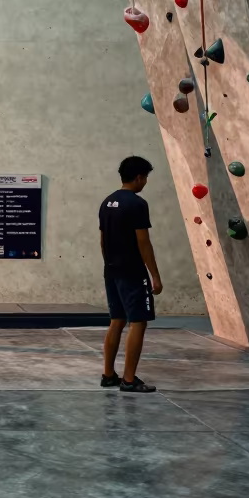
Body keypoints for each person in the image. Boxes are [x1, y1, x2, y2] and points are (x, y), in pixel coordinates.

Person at [99, 155, 162, 393]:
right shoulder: (137, 204)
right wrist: (154, 275)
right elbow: (143, 242)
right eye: (145, 178)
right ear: (138, 177)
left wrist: (110, 265)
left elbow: (103, 240)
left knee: (116, 320)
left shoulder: (107, 202)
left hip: (111, 269)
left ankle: (108, 375)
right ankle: (128, 379)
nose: (145, 182)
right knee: (138, 322)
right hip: (133, 272)